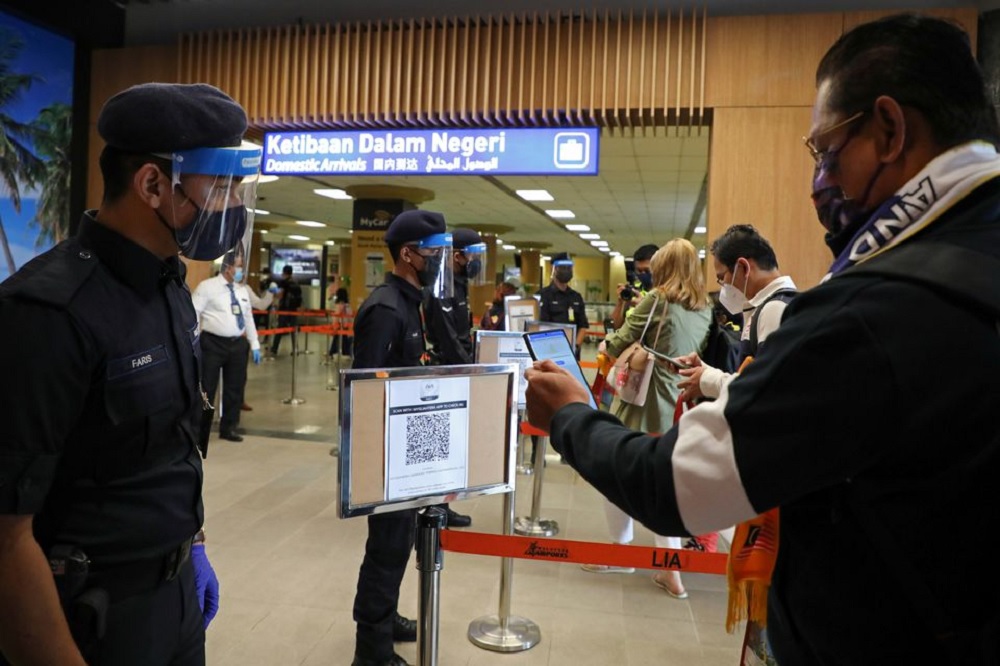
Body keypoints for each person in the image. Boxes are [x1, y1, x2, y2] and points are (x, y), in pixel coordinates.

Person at [524, 14, 1000, 665]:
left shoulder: (871, 309)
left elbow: (676, 488)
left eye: (825, 150)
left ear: (889, 129)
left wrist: (572, 415)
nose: (819, 179)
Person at [0, 82, 262, 665]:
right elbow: (6, 536)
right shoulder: (48, 314)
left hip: (173, 598)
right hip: (91, 617)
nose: (235, 204)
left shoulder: (170, 286)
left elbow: (173, 447)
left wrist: (191, 545)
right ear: (152, 185)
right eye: (223, 186)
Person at [350, 210, 454, 666]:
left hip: (410, 450)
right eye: (432, 252)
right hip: (387, 455)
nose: (438, 260)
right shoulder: (386, 309)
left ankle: (387, 617)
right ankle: (370, 650)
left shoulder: (414, 302)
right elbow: (365, 391)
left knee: (401, 543)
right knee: (386, 550)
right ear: (408, 254)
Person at [582, 239, 710, 600]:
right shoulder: (705, 307)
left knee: (614, 471)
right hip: (680, 403)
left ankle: (620, 552)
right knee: (664, 483)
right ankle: (672, 571)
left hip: (643, 401)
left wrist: (609, 344)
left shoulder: (658, 300)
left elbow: (621, 339)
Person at [676, 225, 797, 406]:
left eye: (721, 277)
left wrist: (707, 380)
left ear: (743, 267)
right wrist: (703, 371)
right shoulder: (766, 307)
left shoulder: (774, 309)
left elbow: (766, 387)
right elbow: (748, 376)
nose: (722, 285)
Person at [422, 227, 487, 529]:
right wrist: (470, 370)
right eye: (473, 256)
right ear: (458, 256)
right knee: (441, 443)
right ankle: (432, 506)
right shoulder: (441, 288)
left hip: (457, 369)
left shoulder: (458, 285)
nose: (476, 263)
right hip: (446, 372)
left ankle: (442, 504)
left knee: (452, 444)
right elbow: (448, 340)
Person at [192, 251, 263, 443]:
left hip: (237, 345)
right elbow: (193, 313)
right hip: (212, 344)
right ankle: (199, 431)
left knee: (235, 388)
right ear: (227, 267)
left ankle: (229, 427)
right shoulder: (207, 287)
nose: (240, 271)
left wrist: (254, 343)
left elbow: (248, 317)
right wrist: (194, 340)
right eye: (238, 266)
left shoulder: (241, 290)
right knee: (207, 387)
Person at [538, 254, 589, 352]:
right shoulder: (543, 295)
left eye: (569, 268)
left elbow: (583, 326)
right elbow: (539, 325)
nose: (566, 271)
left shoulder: (576, 297)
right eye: (563, 267)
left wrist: (575, 347)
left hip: (571, 349)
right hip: (548, 348)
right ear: (555, 269)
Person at [610, 243, 658, 330]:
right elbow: (613, 327)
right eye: (639, 270)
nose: (643, 274)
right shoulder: (634, 291)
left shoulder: (667, 294)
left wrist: (643, 307)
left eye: (647, 270)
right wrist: (620, 302)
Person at [269, 264, 302, 356]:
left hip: (284, 309)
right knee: (293, 330)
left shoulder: (284, 282)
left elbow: (280, 294)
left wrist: (275, 294)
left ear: (284, 272)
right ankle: (295, 349)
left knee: (280, 329)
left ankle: (274, 349)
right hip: (294, 309)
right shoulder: (296, 282)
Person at [328, 287, 354, 358]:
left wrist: (334, 324)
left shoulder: (338, 305)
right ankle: (347, 353)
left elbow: (336, 316)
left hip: (339, 325)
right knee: (344, 341)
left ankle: (332, 352)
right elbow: (350, 316)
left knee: (337, 340)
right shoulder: (347, 305)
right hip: (346, 325)